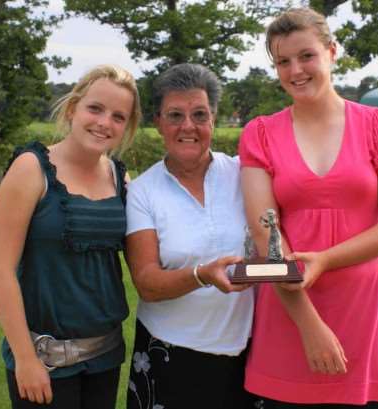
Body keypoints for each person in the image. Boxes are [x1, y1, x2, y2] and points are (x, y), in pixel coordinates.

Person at [239, 7, 378, 408]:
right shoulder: (260, 134)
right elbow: (266, 237)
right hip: (290, 316)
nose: (295, 70)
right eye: (282, 61)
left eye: (306, 56)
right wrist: (309, 326)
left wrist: (323, 260)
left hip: (366, 314)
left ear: (332, 52)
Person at [0, 64, 141, 409]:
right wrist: (26, 360)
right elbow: (0, 270)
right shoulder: (32, 168)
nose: (104, 123)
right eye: (95, 108)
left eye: (119, 116)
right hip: (43, 362)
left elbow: (146, 260)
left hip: (105, 358)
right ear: (73, 108)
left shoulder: (120, 178)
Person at [125, 63, 255, 409]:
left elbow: (308, 202)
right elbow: (148, 283)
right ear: (158, 122)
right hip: (169, 355)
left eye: (200, 114)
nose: (188, 126)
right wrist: (202, 275)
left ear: (214, 119)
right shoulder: (142, 192)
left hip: (248, 354)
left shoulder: (244, 173)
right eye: (175, 115)